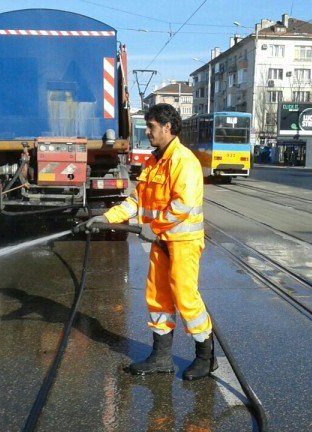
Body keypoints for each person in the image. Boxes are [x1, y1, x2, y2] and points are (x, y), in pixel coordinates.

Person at [78, 103, 215, 381]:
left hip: (182, 242)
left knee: (186, 298)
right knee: (158, 297)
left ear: (167, 127)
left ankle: (205, 358)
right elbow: (135, 202)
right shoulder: (154, 162)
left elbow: (183, 205)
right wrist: (105, 218)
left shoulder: (183, 161)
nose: (148, 132)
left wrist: (154, 226)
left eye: (151, 127)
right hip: (160, 241)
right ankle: (161, 357)